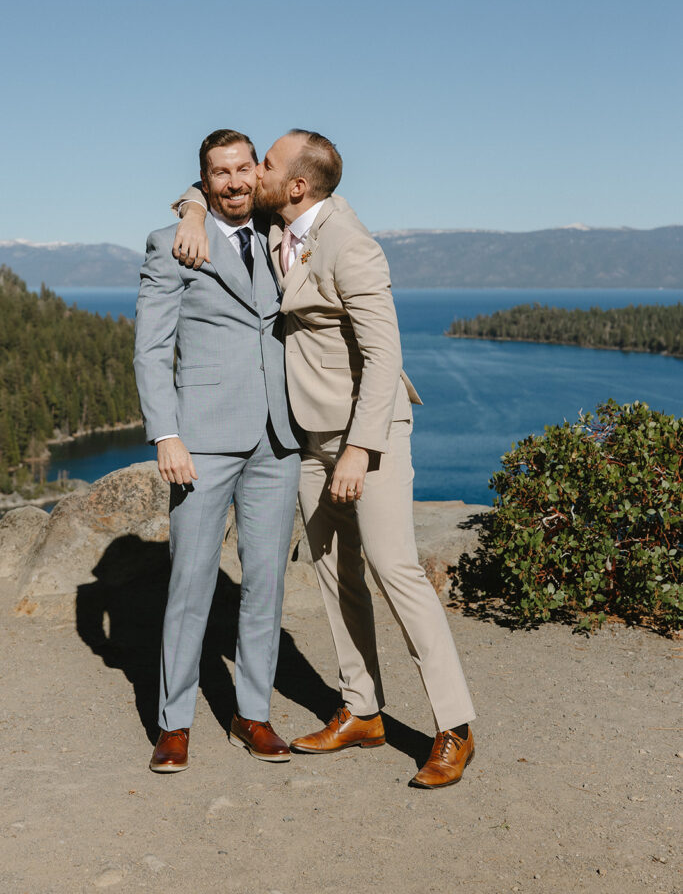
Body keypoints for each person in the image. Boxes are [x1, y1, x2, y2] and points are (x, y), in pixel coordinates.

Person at [171, 129, 476, 788]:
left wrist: (359, 451)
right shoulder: (277, 217)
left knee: (395, 572)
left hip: (368, 434)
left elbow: (384, 353)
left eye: (267, 165)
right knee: (335, 574)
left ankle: (453, 727)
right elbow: (204, 187)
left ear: (297, 186)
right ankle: (362, 708)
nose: (252, 173)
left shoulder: (349, 244)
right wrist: (194, 213)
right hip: (309, 433)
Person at [134, 129, 301, 773]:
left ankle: (251, 714)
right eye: (216, 174)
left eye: (241, 169)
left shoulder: (276, 230)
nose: (231, 182)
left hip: (277, 439)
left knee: (266, 583)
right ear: (203, 180)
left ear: (258, 172)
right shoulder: (173, 244)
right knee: (191, 583)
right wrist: (165, 434)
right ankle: (174, 723)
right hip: (200, 442)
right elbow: (151, 349)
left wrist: (195, 205)